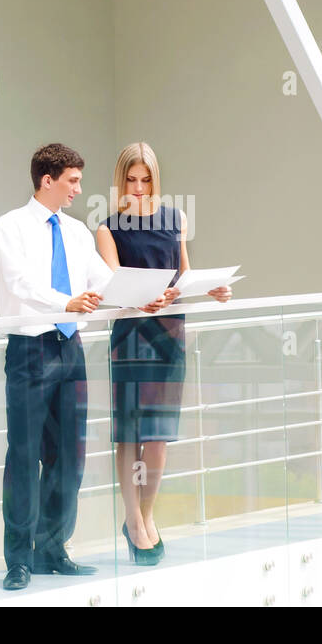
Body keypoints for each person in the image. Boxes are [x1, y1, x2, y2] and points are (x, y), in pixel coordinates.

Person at [95, 142, 231, 566]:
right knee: (130, 434)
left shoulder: (176, 218)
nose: (138, 187)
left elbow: (183, 271)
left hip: (170, 332)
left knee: (159, 437)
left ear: (155, 178)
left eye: (146, 179)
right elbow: (113, 285)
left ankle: (146, 515)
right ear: (121, 181)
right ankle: (134, 520)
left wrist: (211, 287)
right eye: (131, 180)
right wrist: (139, 302)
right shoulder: (107, 228)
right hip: (131, 334)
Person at [0, 143, 114, 591]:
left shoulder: (78, 231)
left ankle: (52, 549)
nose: (79, 189)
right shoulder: (10, 226)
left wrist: (147, 295)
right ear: (48, 179)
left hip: (69, 347)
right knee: (24, 457)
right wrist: (64, 302)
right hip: (29, 350)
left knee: (69, 457)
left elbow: (102, 280)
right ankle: (18, 559)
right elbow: (19, 281)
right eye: (73, 181)